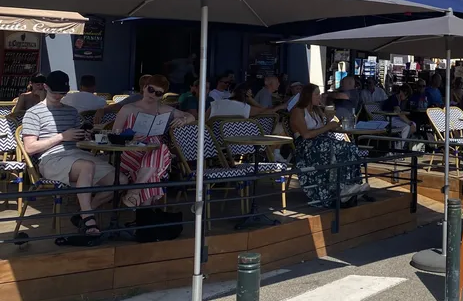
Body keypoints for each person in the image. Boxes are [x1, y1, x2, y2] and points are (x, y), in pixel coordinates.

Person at [21, 71, 120, 236]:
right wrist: (62, 137)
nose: (59, 96)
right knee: (87, 166)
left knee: (120, 180)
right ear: (45, 87)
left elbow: (78, 139)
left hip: (76, 154)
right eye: (56, 92)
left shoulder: (71, 111)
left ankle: (83, 213)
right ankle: (89, 219)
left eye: (63, 93)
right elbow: (30, 148)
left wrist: (84, 135)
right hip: (50, 159)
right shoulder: (33, 113)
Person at [112, 75, 194, 207]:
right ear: (144, 88)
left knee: (159, 150)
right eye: (151, 90)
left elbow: (191, 116)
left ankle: (135, 191)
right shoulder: (128, 108)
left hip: (154, 152)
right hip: (130, 152)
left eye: (158, 93)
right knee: (153, 171)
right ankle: (145, 221)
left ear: (161, 96)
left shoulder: (162, 109)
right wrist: (130, 137)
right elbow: (114, 135)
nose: (153, 95)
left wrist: (183, 120)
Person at [290, 84, 368, 207]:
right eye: (316, 94)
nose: (319, 96)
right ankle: (339, 188)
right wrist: (327, 127)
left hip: (321, 141)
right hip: (306, 145)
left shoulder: (317, 110)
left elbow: (326, 127)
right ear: (308, 96)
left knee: (349, 147)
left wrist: (332, 120)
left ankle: (350, 183)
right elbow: (305, 135)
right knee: (333, 147)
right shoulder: (298, 111)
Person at [209, 83, 274, 118]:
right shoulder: (245, 108)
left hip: (215, 139)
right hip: (238, 140)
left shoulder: (215, 104)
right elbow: (265, 110)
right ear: (246, 96)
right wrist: (250, 99)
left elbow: (204, 121)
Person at [382, 84, 417, 149]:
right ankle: (399, 148)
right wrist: (410, 123)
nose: (406, 97)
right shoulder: (394, 98)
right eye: (405, 95)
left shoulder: (399, 100)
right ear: (401, 91)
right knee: (406, 127)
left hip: (394, 118)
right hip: (388, 118)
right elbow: (399, 112)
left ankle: (404, 143)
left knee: (413, 124)